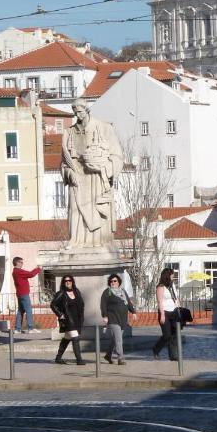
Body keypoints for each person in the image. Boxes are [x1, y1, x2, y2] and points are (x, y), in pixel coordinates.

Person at [61, 99, 124, 248]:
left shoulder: (104, 128)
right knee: (76, 210)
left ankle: (100, 240)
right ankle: (76, 241)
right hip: (77, 178)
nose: (78, 115)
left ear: (87, 110)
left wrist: (105, 168)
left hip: (97, 179)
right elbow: (64, 162)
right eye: (75, 113)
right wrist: (69, 173)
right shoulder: (69, 132)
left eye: (80, 112)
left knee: (97, 209)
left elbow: (117, 156)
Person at [101, 273, 136, 366]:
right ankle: (120, 358)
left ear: (119, 282)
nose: (113, 282)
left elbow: (128, 302)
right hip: (113, 318)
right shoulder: (107, 292)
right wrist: (104, 316)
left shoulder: (123, 291)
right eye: (111, 281)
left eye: (115, 281)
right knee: (119, 339)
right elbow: (103, 305)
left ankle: (108, 355)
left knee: (115, 339)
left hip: (123, 319)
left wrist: (133, 312)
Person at [51, 275, 86, 366]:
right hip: (68, 319)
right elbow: (53, 305)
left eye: (69, 280)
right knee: (75, 337)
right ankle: (79, 359)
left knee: (67, 338)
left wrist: (82, 315)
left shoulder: (76, 291)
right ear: (63, 283)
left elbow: (81, 304)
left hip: (77, 319)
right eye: (65, 281)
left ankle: (58, 358)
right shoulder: (61, 293)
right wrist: (60, 314)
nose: (68, 282)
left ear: (72, 282)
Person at [153, 267, 179, 361]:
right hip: (165, 312)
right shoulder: (160, 287)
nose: (173, 277)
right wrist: (162, 315)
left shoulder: (172, 285)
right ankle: (156, 349)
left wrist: (179, 308)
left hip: (174, 312)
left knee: (174, 334)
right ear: (167, 276)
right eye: (172, 275)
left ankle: (173, 355)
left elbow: (176, 298)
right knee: (167, 335)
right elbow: (160, 302)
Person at [11, 257, 41, 334]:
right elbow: (31, 274)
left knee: (20, 311)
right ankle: (30, 328)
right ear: (17, 262)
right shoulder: (18, 271)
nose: (22, 264)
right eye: (21, 262)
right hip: (24, 293)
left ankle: (17, 329)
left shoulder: (14, 272)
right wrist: (38, 269)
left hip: (20, 293)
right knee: (28, 310)